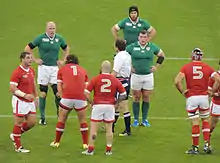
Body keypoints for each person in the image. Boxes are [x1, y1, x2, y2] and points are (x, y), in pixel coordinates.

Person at [174, 48, 220, 154]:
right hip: (204, 97)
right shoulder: (207, 67)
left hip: (192, 98)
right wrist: (212, 91)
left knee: (195, 121)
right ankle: (206, 145)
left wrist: (183, 91)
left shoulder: (186, 67)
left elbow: (177, 81)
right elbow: (218, 79)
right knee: (205, 120)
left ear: (192, 56)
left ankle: (195, 147)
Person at [24, 21, 70, 125]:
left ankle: (59, 116)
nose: (52, 31)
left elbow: (66, 48)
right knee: (43, 93)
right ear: (46, 29)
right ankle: (43, 117)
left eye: (53, 29)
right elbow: (28, 48)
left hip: (54, 69)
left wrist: (63, 60)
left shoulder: (59, 38)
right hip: (43, 68)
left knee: (58, 93)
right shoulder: (40, 38)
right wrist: (35, 59)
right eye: (50, 28)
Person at [82, 61, 126, 155]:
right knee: (109, 129)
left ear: (101, 68)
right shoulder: (115, 80)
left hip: (98, 105)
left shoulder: (96, 79)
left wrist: (91, 102)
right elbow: (123, 94)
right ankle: (108, 150)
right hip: (110, 106)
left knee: (94, 128)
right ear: (110, 69)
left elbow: (86, 93)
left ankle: (91, 149)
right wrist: (116, 103)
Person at [126, 30, 165, 127]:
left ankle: (144, 119)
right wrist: (129, 67)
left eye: (145, 37)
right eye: (141, 37)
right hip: (136, 76)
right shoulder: (132, 47)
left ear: (148, 38)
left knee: (146, 97)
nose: (143, 39)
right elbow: (122, 56)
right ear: (138, 37)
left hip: (148, 76)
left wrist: (156, 66)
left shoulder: (152, 47)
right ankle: (135, 119)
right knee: (136, 97)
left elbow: (161, 55)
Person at [50, 54, 89, 149]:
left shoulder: (62, 69)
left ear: (67, 61)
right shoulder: (83, 70)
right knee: (83, 121)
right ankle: (85, 144)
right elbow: (86, 86)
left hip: (67, 98)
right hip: (80, 98)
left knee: (62, 119)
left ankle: (56, 142)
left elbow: (59, 84)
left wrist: (60, 94)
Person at [9, 52, 38, 153]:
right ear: (22, 59)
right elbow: (12, 88)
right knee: (18, 123)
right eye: (28, 58)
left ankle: (15, 135)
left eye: (31, 58)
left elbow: (33, 83)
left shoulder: (31, 71)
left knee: (32, 122)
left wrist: (36, 97)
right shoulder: (17, 72)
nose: (30, 60)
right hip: (20, 101)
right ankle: (18, 147)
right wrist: (24, 95)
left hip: (29, 100)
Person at [111, 39, 132, 136]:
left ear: (116, 47)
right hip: (126, 81)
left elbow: (115, 72)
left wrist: (106, 79)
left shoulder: (119, 57)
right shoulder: (127, 55)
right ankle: (112, 127)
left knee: (121, 105)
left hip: (120, 83)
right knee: (118, 106)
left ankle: (127, 130)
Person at [208, 60, 220, 138]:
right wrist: (216, 94)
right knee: (211, 126)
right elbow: (208, 91)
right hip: (217, 104)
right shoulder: (215, 76)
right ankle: (207, 144)